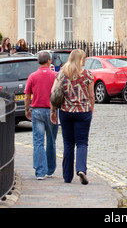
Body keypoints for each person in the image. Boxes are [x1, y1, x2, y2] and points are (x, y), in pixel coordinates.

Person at [50, 49, 95, 185]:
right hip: (83, 112)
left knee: (68, 143)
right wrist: (90, 110)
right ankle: (81, 169)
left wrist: (53, 111)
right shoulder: (88, 75)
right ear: (80, 59)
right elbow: (91, 96)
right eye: (84, 58)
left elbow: (53, 93)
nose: (85, 60)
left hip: (66, 112)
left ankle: (67, 176)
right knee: (82, 142)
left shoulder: (62, 74)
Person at [24, 51, 58, 180]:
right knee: (51, 140)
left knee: (38, 141)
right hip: (51, 110)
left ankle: (40, 171)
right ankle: (50, 169)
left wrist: (27, 109)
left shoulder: (32, 76)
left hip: (37, 111)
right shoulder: (55, 75)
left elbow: (27, 96)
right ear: (49, 61)